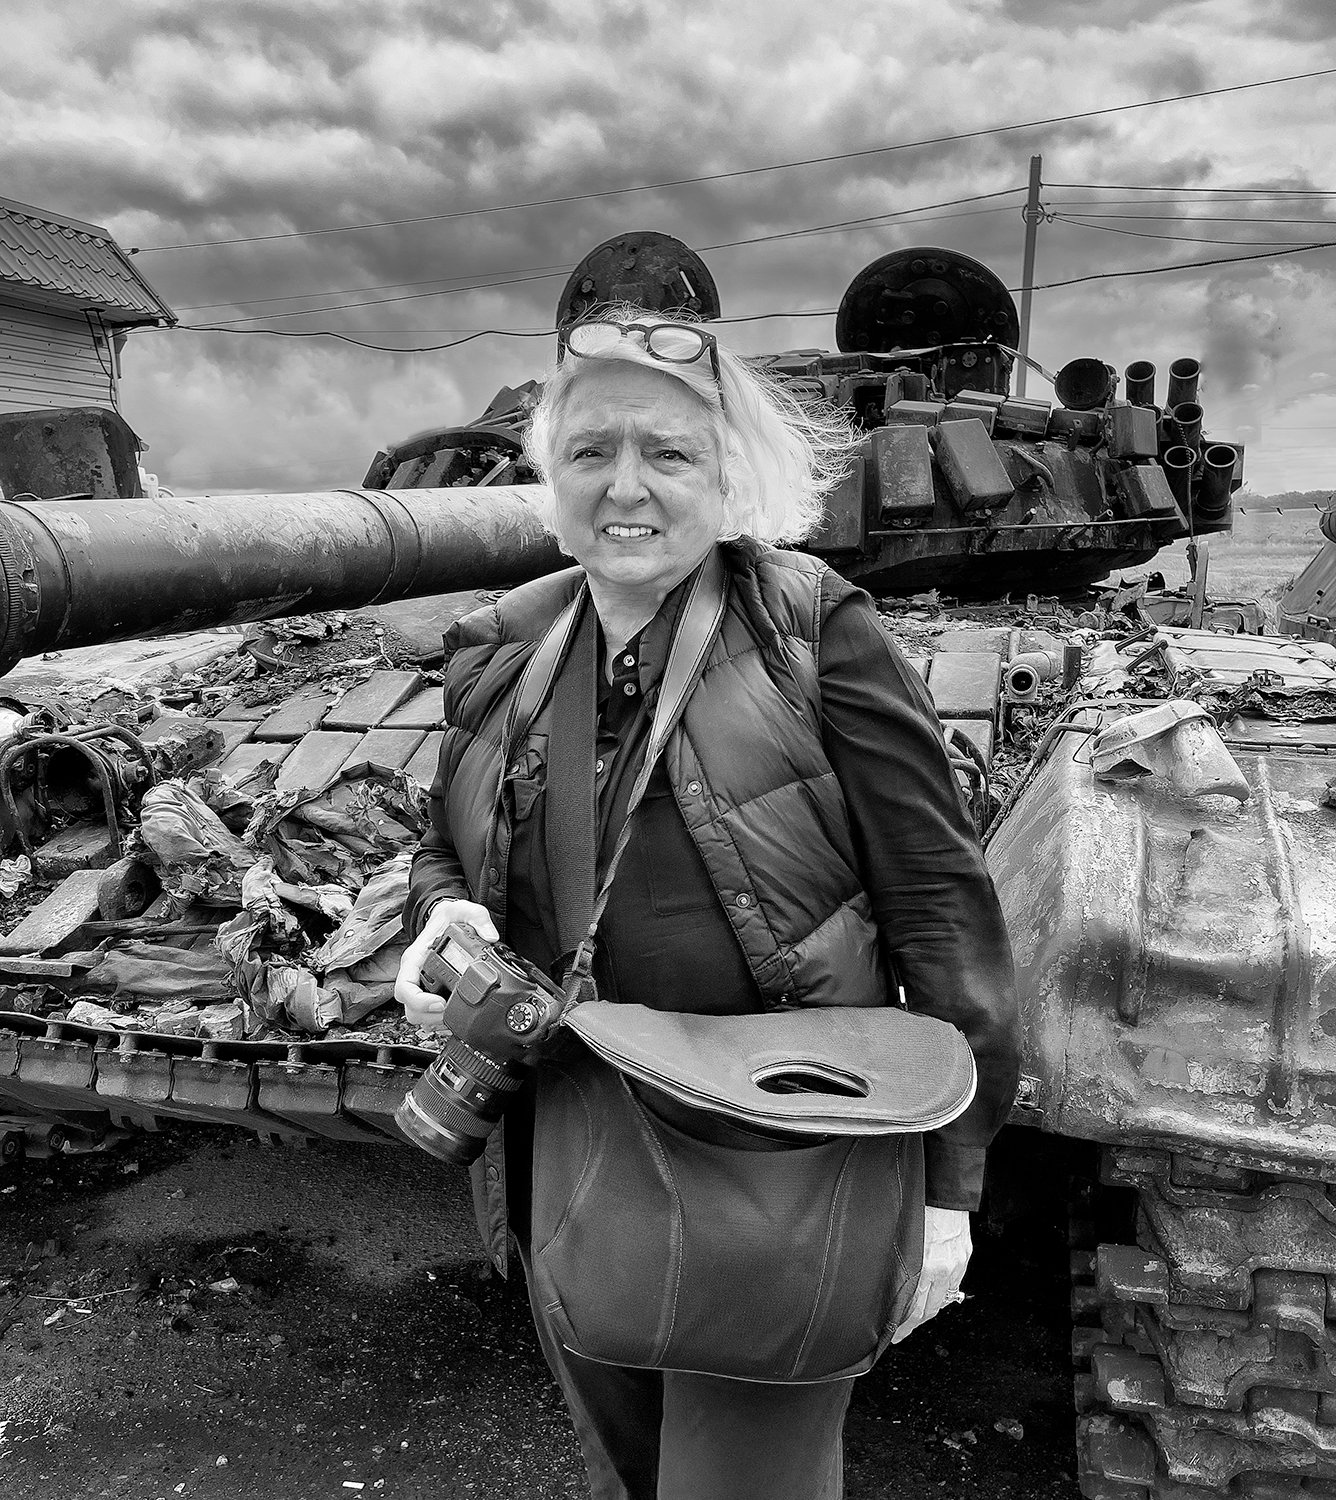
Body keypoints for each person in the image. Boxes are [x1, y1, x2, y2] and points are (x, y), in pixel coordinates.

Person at [394, 308, 1020, 1500]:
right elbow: (446, 842)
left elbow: (942, 910)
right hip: (567, 1151)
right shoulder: (497, 646)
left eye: (669, 454)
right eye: (591, 453)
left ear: (729, 475)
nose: (625, 487)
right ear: (550, 475)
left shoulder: (809, 629)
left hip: (775, 1161)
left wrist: (948, 1189)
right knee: (628, 1474)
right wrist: (442, 912)